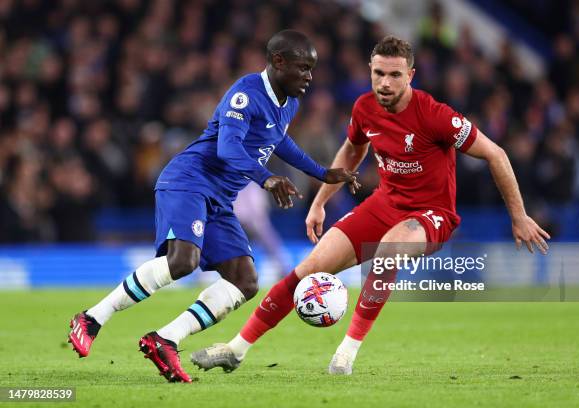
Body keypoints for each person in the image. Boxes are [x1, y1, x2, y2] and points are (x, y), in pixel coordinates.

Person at [191, 35, 550, 376]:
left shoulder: (435, 115)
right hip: (383, 205)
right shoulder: (364, 108)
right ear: (370, 71)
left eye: (395, 75)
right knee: (309, 268)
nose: (385, 83)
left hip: (431, 214)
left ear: (410, 75)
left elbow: (496, 154)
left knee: (389, 251)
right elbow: (353, 149)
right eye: (379, 73)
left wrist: (518, 216)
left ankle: (345, 354)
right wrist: (319, 203)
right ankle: (236, 349)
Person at [67, 29, 359, 383]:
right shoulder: (246, 94)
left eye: (312, 69)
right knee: (182, 261)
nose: (309, 77)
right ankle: (92, 318)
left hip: (220, 198)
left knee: (245, 280)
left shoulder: (289, 102)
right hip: (189, 181)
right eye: (303, 68)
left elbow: (280, 141)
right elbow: (228, 149)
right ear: (279, 62)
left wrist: (323, 172)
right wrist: (265, 178)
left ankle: (165, 339)